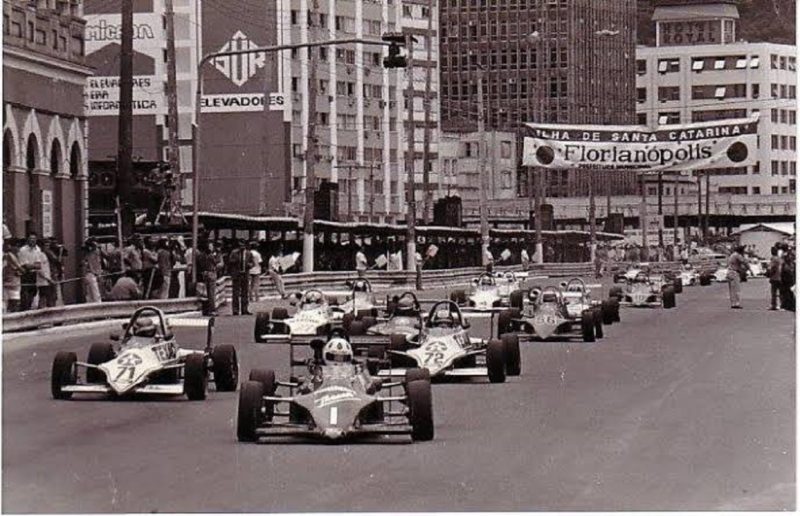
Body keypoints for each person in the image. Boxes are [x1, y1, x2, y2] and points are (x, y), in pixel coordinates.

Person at [227, 239, 254, 316]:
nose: (241, 247)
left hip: (245, 274)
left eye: (243, 245)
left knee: (245, 292)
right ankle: (235, 310)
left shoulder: (249, 253)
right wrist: (236, 261)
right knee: (236, 293)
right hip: (237, 274)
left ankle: (244, 309)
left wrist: (250, 265)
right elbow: (230, 261)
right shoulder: (234, 252)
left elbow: (252, 263)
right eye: (240, 245)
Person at [18, 233, 43, 310]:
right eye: (31, 238)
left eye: (34, 238)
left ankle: (29, 307)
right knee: (25, 291)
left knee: (33, 291)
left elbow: (39, 265)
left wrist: (32, 265)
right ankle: (24, 308)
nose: (32, 240)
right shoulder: (23, 250)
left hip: (34, 274)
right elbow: (25, 265)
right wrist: (33, 265)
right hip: (25, 274)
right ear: (28, 240)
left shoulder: (38, 249)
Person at [196, 242, 220, 316]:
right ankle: (212, 309)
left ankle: (206, 309)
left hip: (204, 273)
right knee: (211, 293)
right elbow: (216, 262)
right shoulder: (210, 255)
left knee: (205, 293)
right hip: (211, 273)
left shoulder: (200, 255)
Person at [3, 240, 23, 313]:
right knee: (12, 301)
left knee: (12, 301)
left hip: (13, 282)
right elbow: (20, 269)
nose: (18, 248)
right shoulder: (9, 256)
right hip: (10, 282)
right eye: (17, 246)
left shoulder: (16, 256)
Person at [82, 238, 104, 303]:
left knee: (90, 295)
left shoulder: (89, 252)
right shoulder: (92, 252)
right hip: (92, 274)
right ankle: (98, 306)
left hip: (90, 274)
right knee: (95, 295)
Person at [727, 245, 746, 309]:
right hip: (734, 272)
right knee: (736, 289)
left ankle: (733, 303)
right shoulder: (737, 255)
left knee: (732, 289)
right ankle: (737, 303)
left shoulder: (732, 255)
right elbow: (744, 262)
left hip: (730, 272)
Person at [767, 245, 783, 310]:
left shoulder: (773, 258)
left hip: (774, 277)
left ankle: (774, 305)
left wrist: (769, 274)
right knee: (781, 292)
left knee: (774, 292)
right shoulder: (779, 258)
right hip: (780, 276)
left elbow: (772, 267)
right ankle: (782, 304)